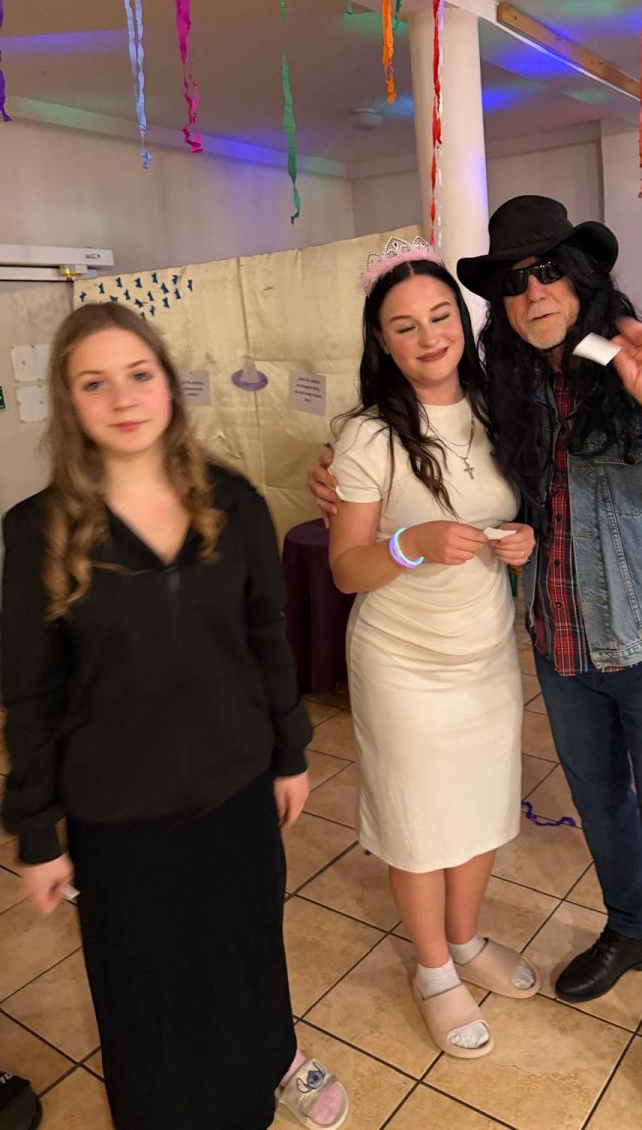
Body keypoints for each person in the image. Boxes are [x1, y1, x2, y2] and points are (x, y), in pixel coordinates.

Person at [310, 197, 642, 1130]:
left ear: (584, 275)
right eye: (513, 280)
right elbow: (415, 450)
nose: (533, 292)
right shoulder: (508, 389)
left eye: (550, 270)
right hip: (561, 652)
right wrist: (336, 474)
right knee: (603, 814)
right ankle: (630, 929)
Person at [0, 304, 349, 1130]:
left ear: (167, 383)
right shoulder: (37, 530)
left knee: (246, 949)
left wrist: (290, 751)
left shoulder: (233, 502)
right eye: (94, 383)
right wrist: (38, 832)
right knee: (145, 984)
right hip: (119, 813)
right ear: (69, 402)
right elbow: (31, 692)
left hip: (236, 785)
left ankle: (269, 1067)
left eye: (138, 374)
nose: (123, 398)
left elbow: (265, 635)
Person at [326, 238, 540, 1059]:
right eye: (405, 326)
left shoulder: (495, 408)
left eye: (440, 316)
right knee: (417, 823)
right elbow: (346, 569)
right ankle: (432, 970)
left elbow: (507, 512)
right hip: (402, 662)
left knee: (480, 809)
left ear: (463, 319)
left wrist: (517, 539)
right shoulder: (368, 435)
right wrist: (410, 543)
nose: (428, 336)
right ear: (382, 342)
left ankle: (466, 937)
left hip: (484, 651)